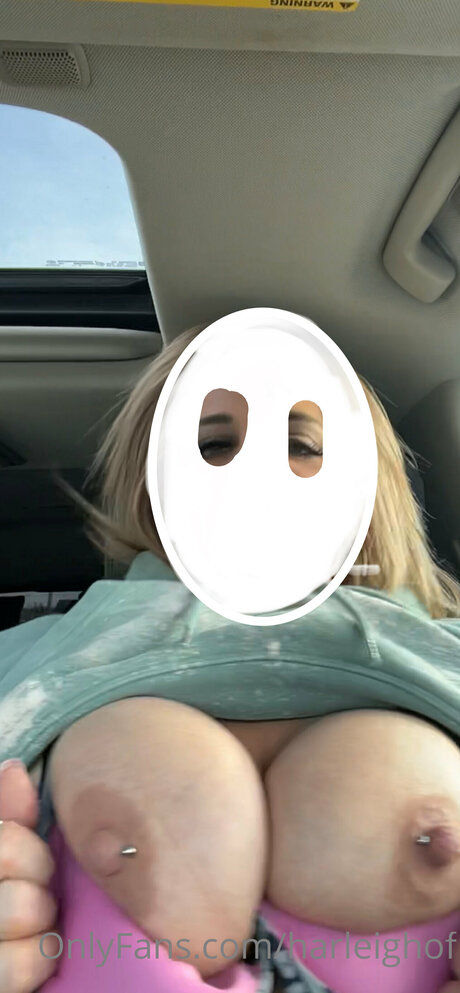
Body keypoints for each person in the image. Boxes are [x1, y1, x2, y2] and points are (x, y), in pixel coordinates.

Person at [0, 318, 459, 993]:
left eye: (301, 443)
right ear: (152, 479)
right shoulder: (25, 653)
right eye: (213, 442)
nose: (255, 469)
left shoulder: (446, 647)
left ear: (368, 482)